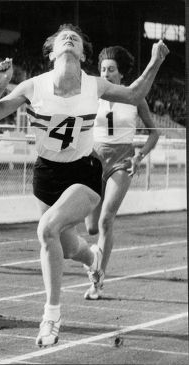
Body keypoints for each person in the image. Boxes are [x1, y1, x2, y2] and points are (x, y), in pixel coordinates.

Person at [0, 24, 168, 347]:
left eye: (76, 39)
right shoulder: (33, 86)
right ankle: (93, 259)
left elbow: (136, 95)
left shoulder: (94, 85)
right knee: (67, 247)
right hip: (46, 175)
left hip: (83, 173)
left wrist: (156, 60)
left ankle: (51, 316)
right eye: (63, 37)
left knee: (47, 229)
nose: (69, 38)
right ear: (52, 52)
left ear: (82, 54)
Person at [83, 46, 160, 300]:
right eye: (103, 69)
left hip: (122, 161)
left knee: (106, 220)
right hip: (94, 159)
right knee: (91, 227)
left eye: (111, 69)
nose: (105, 73)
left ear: (121, 74)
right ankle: (92, 255)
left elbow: (154, 132)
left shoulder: (135, 97)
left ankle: (97, 280)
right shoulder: (91, 95)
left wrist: (140, 155)